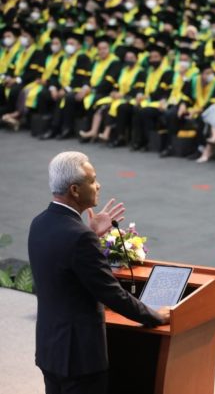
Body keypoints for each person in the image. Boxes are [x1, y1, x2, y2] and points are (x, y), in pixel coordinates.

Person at [28, 151, 170, 394]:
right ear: (74, 190)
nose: (98, 185)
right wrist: (156, 316)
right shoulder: (79, 237)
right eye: (92, 180)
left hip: (50, 349)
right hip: (79, 359)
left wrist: (92, 233)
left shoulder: (40, 222)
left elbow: (65, 274)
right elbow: (111, 293)